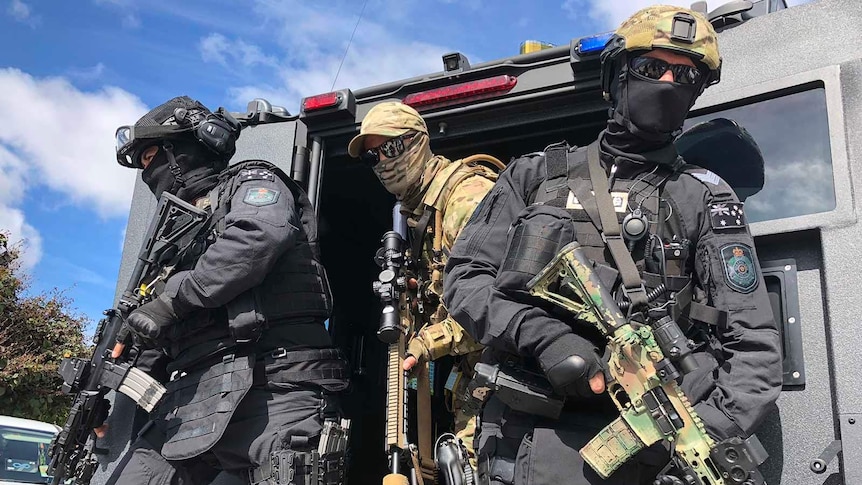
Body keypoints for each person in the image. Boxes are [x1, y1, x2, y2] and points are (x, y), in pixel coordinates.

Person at [443, 6, 782, 485]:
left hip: (655, 446)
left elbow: (754, 345)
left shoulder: (704, 196)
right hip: (535, 432)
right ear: (616, 77)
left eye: (685, 75)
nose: (667, 82)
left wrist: (706, 433)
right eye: (651, 68)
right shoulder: (535, 176)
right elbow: (465, 280)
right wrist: (543, 336)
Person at [108, 96, 349, 484]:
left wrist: (170, 301)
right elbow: (154, 334)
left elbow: (257, 237)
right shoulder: (172, 240)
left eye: (150, 156)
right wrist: (112, 401)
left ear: (183, 149)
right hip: (190, 397)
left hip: (273, 385)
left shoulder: (253, 181)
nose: (146, 171)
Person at [347, 102, 499, 469]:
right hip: (477, 382)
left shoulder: (466, 198)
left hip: (508, 384)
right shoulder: (420, 213)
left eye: (392, 147)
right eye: (372, 156)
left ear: (417, 142)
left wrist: (428, 342)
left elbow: (502, 304)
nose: (382, 161)